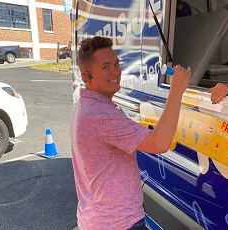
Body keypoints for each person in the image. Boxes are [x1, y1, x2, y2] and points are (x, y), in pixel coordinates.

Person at [70, 36, 191, 230]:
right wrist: (177, 90)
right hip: (117, 223)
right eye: (106, 67)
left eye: (116, 64)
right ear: (87, 77)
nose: (115, 72)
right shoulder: (99, 113)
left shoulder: (87, 105)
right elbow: (159, 143)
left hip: (99, 218)